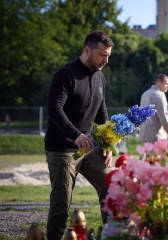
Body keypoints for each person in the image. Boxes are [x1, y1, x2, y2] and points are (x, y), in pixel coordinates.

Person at [44, 30, 113, 240]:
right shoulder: (65, 75)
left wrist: (107, 144)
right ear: (87, 50)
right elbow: (55, 109)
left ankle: (112, 234)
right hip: (63, 148)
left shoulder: (100, 77)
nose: (106, 60)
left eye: (109, 55)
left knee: (111, 187)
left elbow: (102, 114)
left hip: (91, 147)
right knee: (61, 202)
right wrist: (76, 135)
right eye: (102, 55)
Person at [139, 74, 168, 143]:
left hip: (144, 135)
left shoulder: (145, 93)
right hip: (156, 136)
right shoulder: (159, 95)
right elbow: (164, 118)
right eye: (166, 84)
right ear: (158, 82)